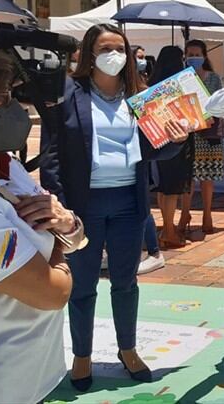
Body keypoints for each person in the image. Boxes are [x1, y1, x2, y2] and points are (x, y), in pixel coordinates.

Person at [41, 23, 189, 391]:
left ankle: (128, 349)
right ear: (89, 54)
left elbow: (154, 149)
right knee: (83, 285)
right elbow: (51, 154)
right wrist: (61, 208)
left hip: (128, 202)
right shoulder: (68, 94)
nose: (115, 55)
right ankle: (82, 356)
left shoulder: (140, 97)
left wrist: (176, 139)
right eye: (106, 47)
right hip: (83, 207)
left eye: (120, 48)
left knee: (125, 282)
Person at [0, 40, 80, 404]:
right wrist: (60, 248)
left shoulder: (1, 167)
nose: (14, 109)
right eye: (2, 98)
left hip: (28, 380)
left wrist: (67, 227)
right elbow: (53, 292)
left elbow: (62, 223)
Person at [148, 46, 196, 247]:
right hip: (179, 141)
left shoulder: (152, 85)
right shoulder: (181, 84)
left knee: (164, 188)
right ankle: (169, 231)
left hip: (159, 141)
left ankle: (167, 228)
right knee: (173, 189)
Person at [181, 40, 224, 236]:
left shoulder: (214, 78)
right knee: (188, 177)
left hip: (208, 133)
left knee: (208, 176)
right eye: (190, 54)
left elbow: (220, 103)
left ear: (204, 56)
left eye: (197, 54)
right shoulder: (181, 78)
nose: (193, 57)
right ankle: (185, 214)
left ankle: (208, 214)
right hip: (188, 133)